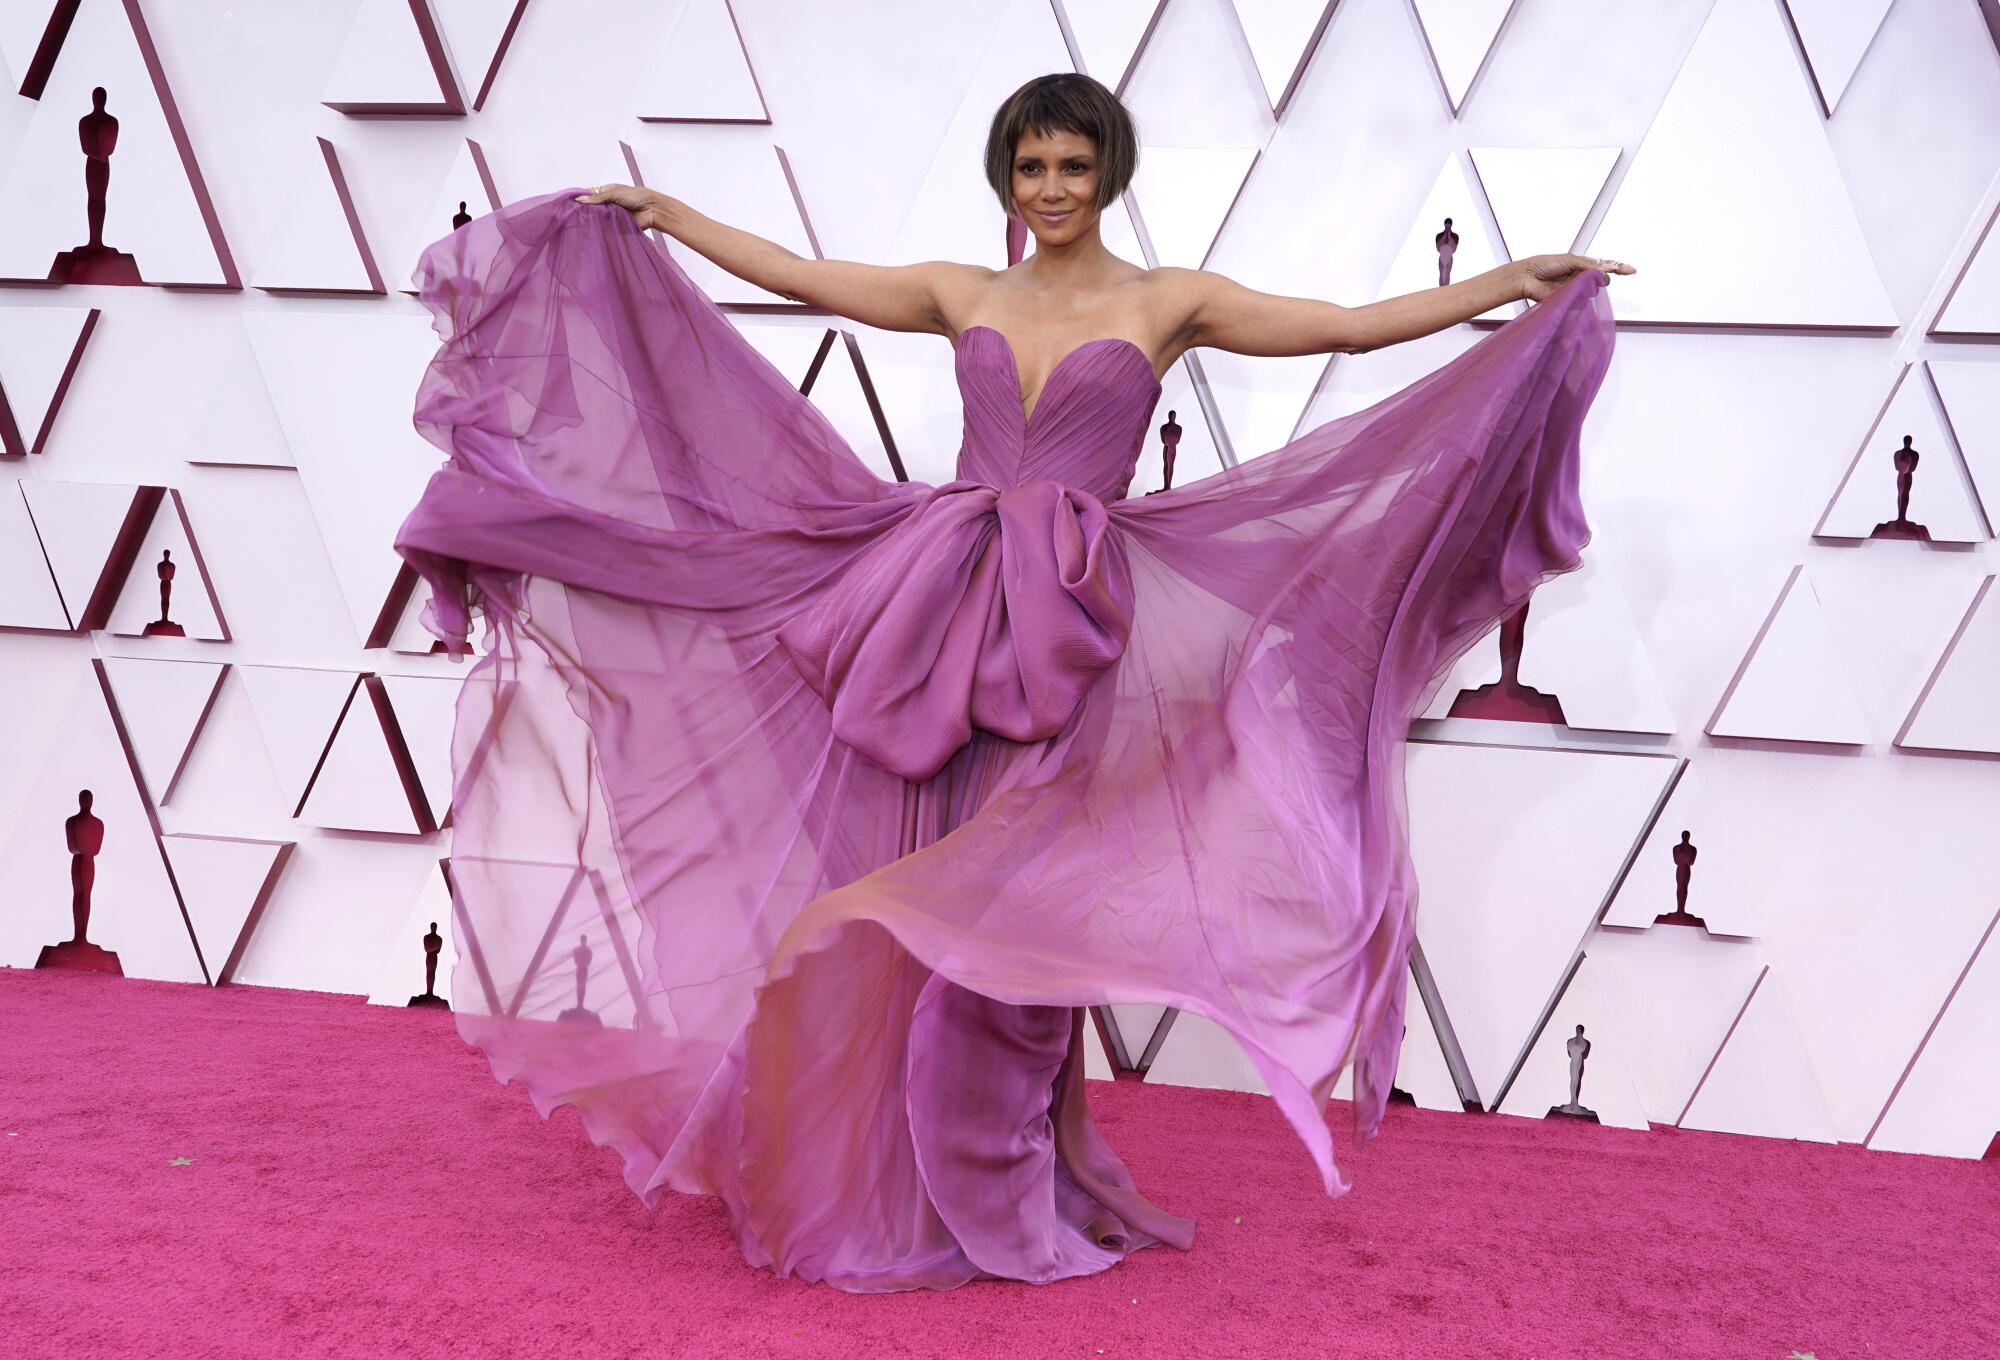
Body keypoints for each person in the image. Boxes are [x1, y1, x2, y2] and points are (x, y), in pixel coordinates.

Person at [393, 72, 1624, 1294]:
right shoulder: (962, 290)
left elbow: (1346, 326)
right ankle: (885, 1176)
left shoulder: (1168, 301)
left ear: (1108, 176)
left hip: (1073, 622)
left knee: (1021, 886)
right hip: (939, 603)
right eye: (1030, 168)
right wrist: (669, 216)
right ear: (1005, 176)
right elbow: (803, 278)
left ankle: (995, 1170)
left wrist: (1508, 288)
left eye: (1072, 169)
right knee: (908, 856)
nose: (1050, 191)